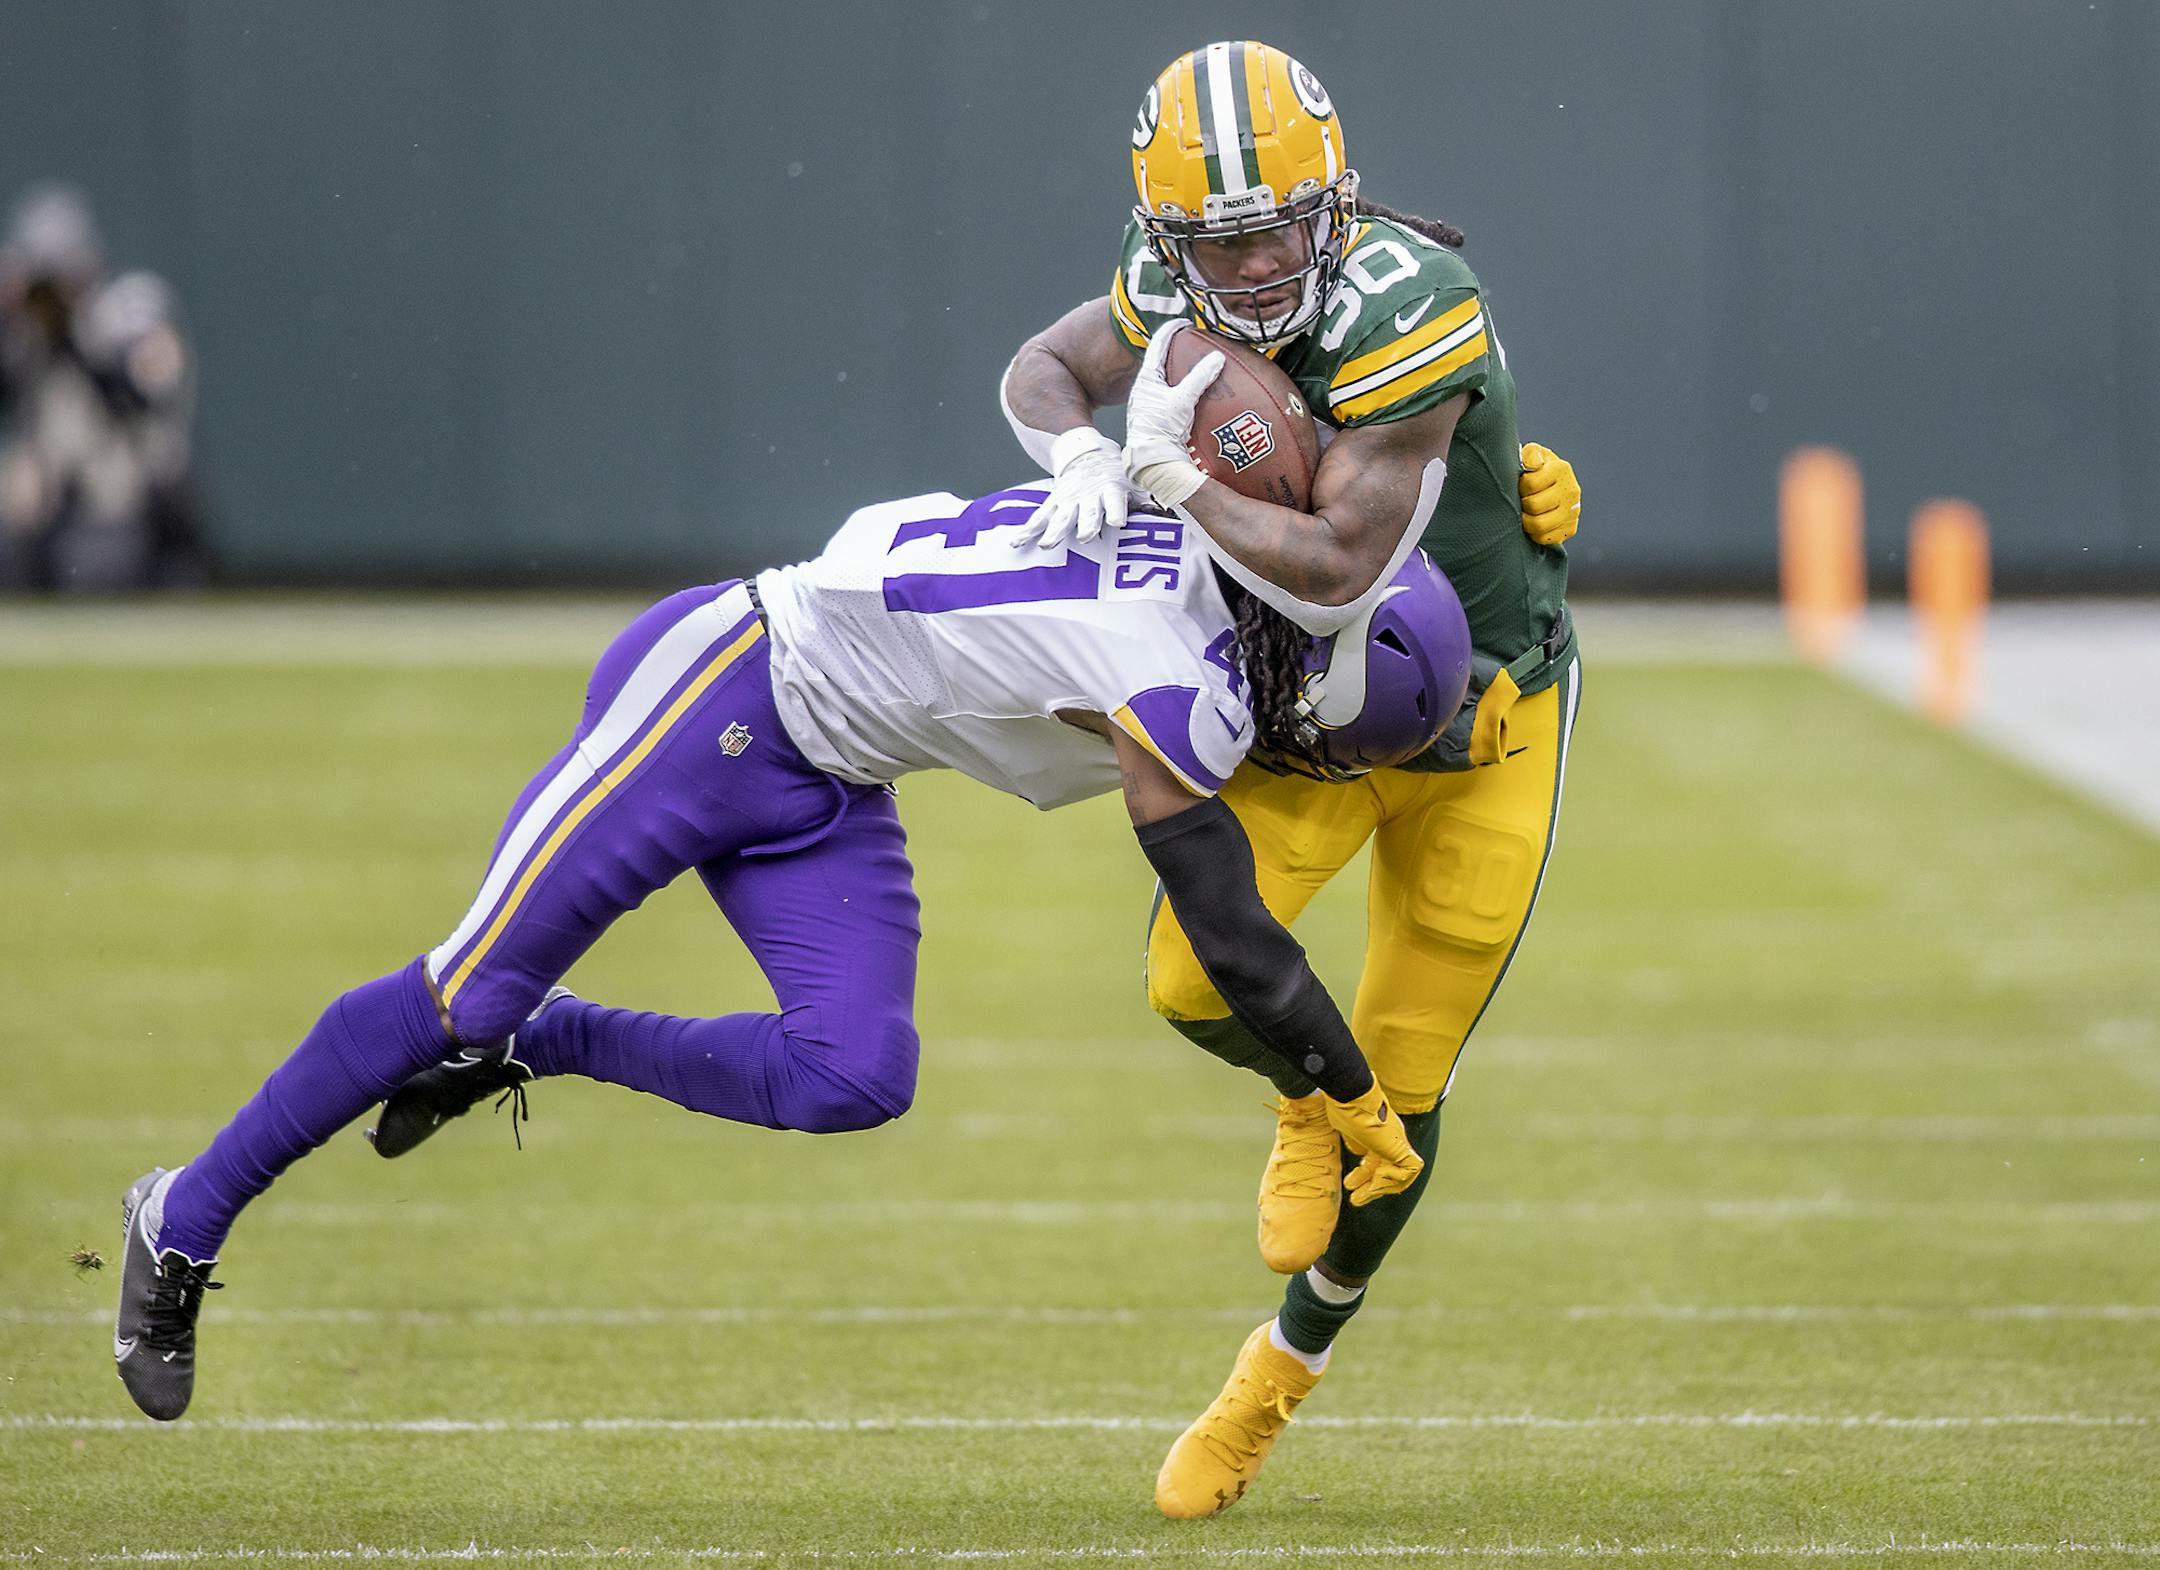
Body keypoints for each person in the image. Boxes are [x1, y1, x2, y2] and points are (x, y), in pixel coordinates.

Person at [110, 480, 1473, 1424]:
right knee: (463, 981)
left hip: (829, 774)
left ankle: (541, 1040)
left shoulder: (1226, 537)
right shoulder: (1183, 676)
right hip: (726, 687)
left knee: (854, 1069)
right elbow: (1237, 938)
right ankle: (184, 1213)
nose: (1308, 755)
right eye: (1325, 733)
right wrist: (1354, 1095)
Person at [1000, 41, 1583, 1517]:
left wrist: (1177, 478)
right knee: (1197, 986)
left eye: (1276, 227)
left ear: (1338, 200)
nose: (1251, 266)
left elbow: (1335, 568)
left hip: (1476, 726)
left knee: (1411, 1097)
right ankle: (1302, 1096)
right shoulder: (1167, 278)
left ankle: (1274, 1378)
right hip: (1306, 728)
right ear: (1168, 232)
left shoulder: (1411, 304)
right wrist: (1076, 452)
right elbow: (1044, 367)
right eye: (1215, 239)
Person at [0, 183, 208, 592]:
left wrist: (73, 332)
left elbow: (142, 393)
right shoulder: (23, 334)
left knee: (92, 570)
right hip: (54, 507)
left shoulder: (127, 309)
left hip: (133, 505)